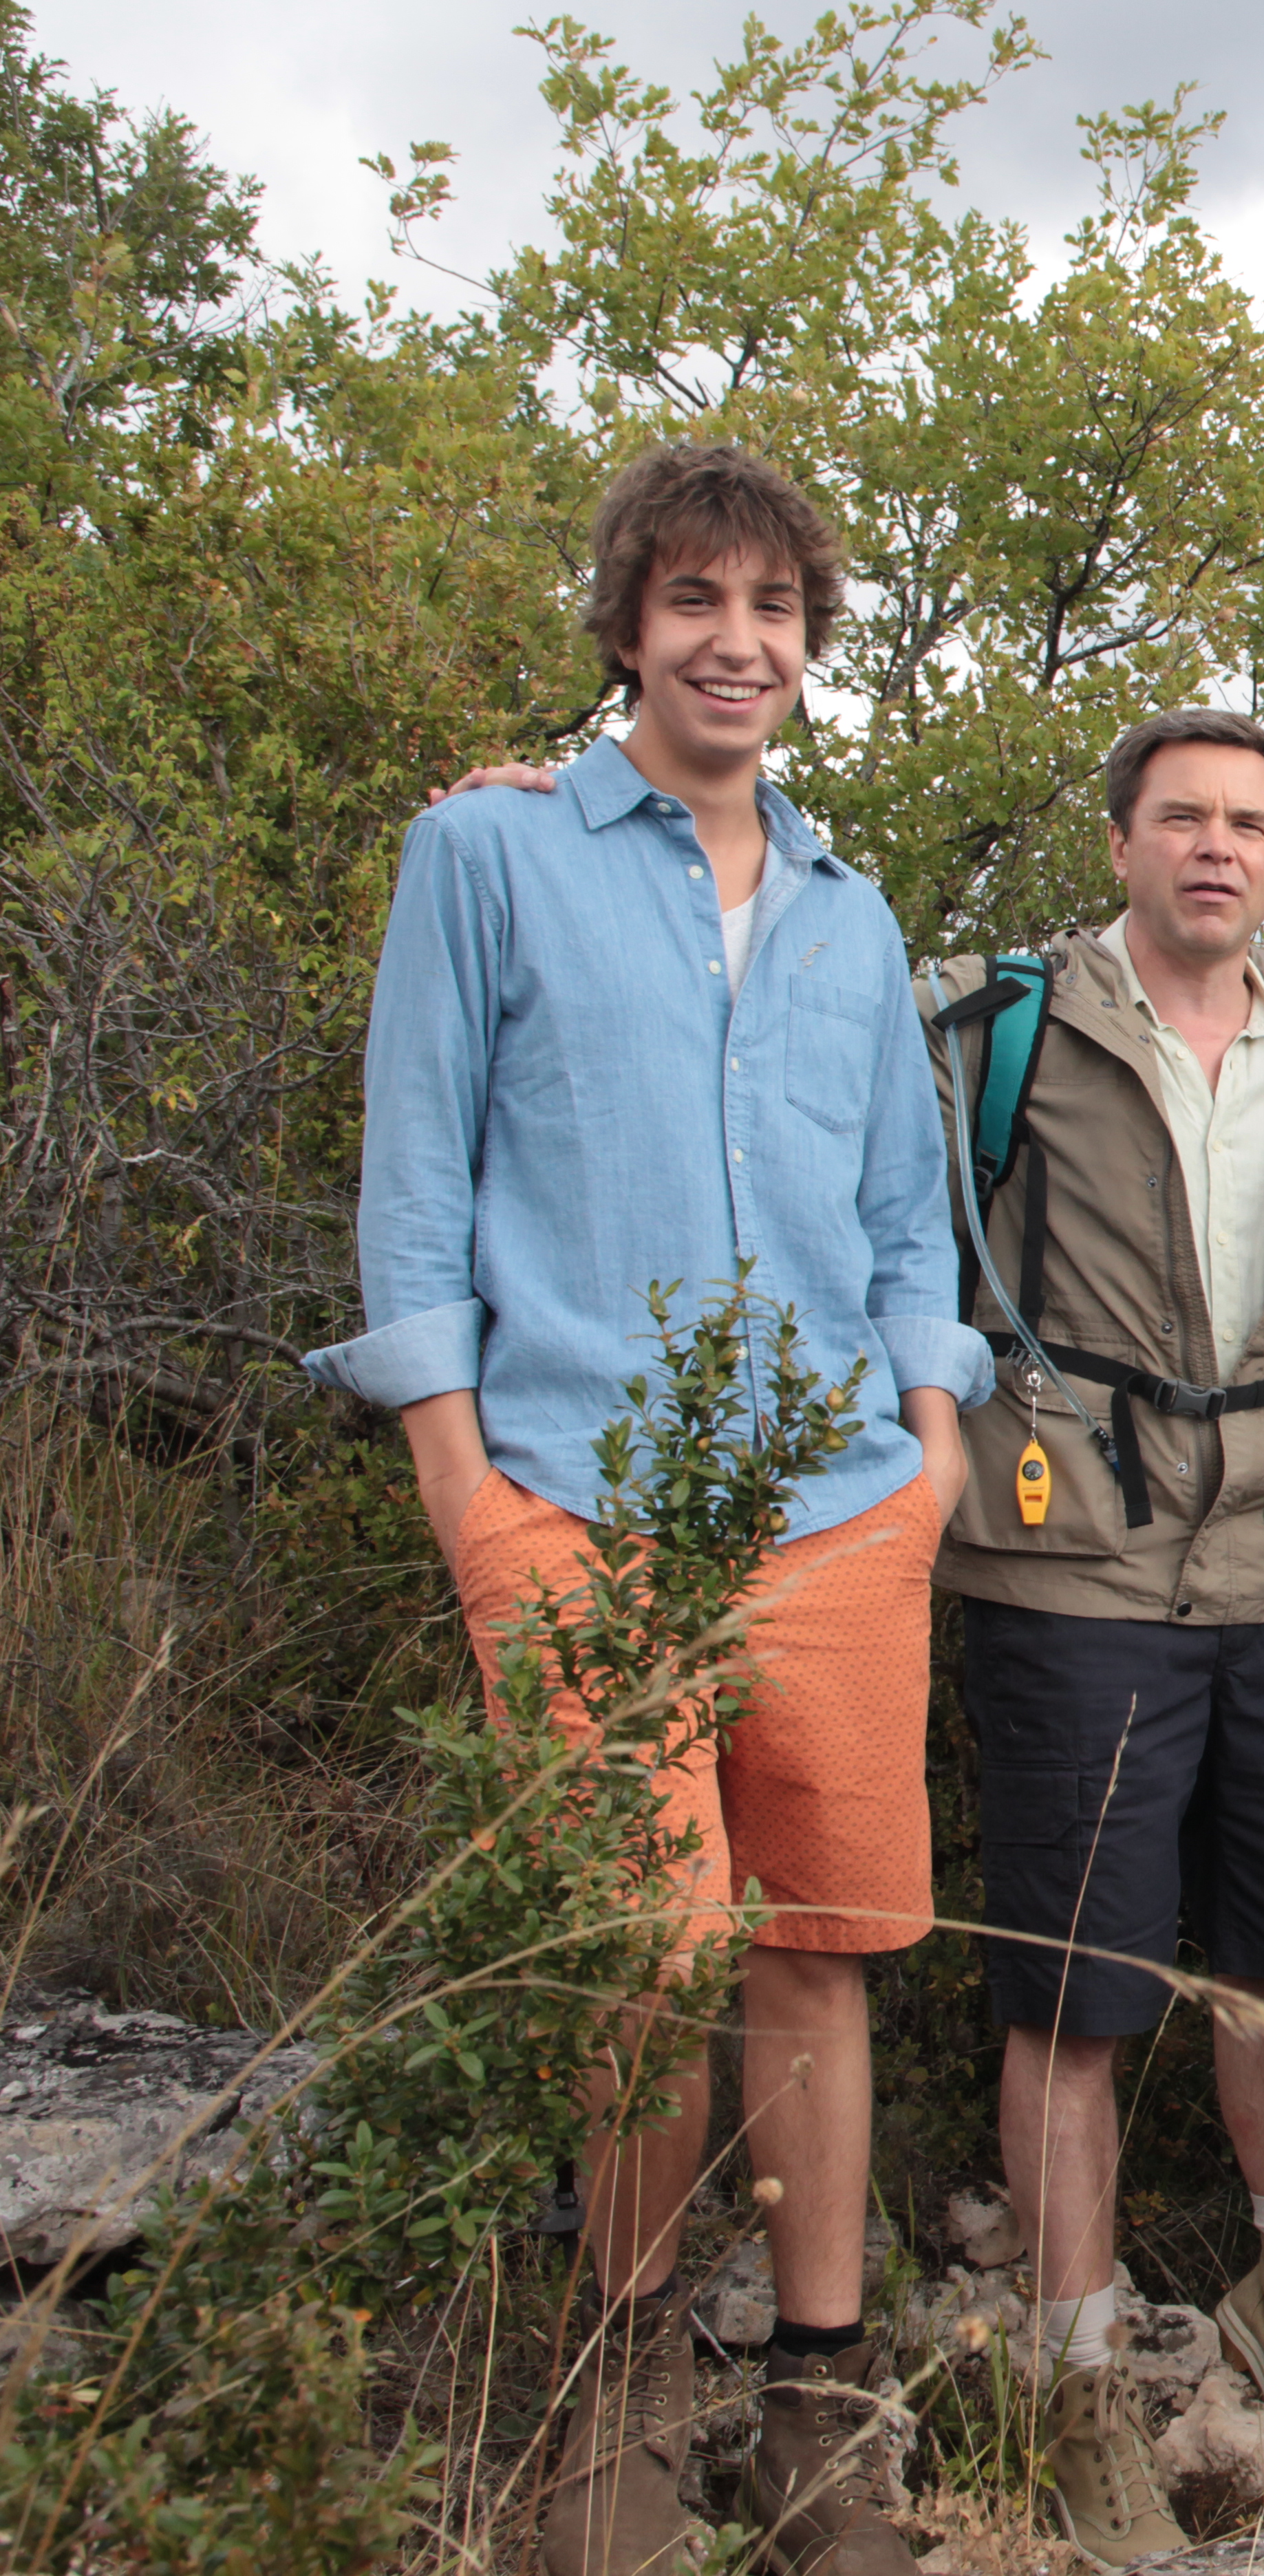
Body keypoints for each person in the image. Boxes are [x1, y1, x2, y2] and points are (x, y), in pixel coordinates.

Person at [308, 442, 986, 2576]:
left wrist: (935, 1432)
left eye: (773, 609)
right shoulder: (486, 853)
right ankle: (615, 2395)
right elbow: (414, 1183)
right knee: (635, 1949)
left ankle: (818, 2418)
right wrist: (457, 1476)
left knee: (821, 1952)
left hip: (836, 1505)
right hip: (569, 1488)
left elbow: (901, 1212)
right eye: (693, 599)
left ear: (810, 643)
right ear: (626, 623)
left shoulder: (854, 915)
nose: (735, 642)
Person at [917, 709, 1264, 2557]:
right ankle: (1078, 2381)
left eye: (1254, 823)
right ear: (1122, 840)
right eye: (1184, 818)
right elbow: (798, 1096)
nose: (1220, 848)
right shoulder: (1003, 1021)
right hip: (1074, 1549)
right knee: (1077, 1985)